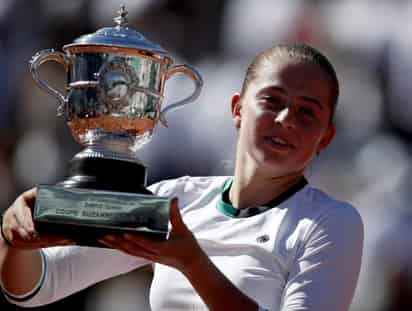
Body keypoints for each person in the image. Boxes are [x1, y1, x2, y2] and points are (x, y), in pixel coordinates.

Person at [0, 43, 363, 311]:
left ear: (325, 138)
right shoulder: (176, 200)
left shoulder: (330, 223)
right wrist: (13, 237)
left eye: (306, 112)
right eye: (272, 100)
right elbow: (36, 285)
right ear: (237, 109)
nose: (286, 119)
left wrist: (192, 262)